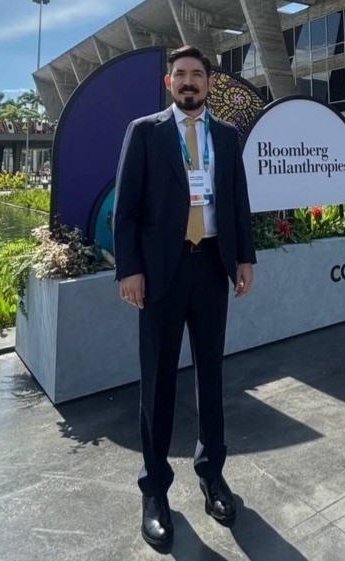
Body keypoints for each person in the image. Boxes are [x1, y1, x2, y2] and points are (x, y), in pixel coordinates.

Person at [113, 45, 256, 547]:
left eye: (197, 73)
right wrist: (129, 269)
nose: (189, 81)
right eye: (181, 74)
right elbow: (126, 209)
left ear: (209, 83)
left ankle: (212, 473)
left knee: (211, 375)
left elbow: (237, 200)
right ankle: (154, 489)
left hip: (212, 266)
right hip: (160, 274)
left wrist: (244, 258)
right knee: (157, 381)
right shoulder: (145, 132)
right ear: (168, 83)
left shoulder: (227, 136)